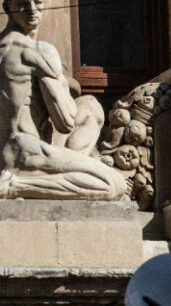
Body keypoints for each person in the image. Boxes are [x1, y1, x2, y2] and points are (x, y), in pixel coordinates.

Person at [0, 0, 125, 200]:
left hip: (11, 149)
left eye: (37, 2)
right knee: (113, 185)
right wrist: (62, 82)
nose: (32, 10)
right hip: (25, 151)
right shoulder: (37, 50)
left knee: (89, 105)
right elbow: (65, 121)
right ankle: (14, 186)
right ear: (8, 8)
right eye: (23, 3)